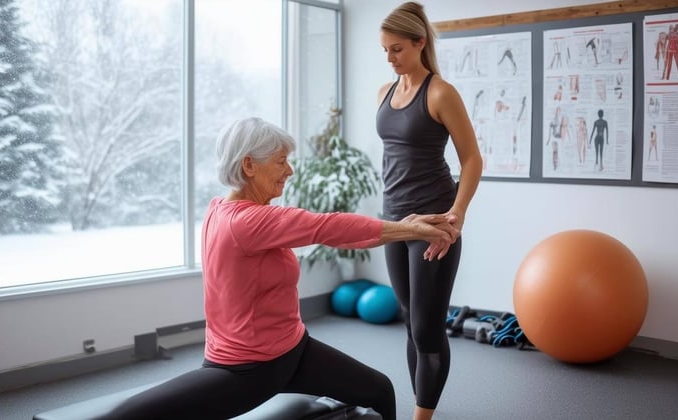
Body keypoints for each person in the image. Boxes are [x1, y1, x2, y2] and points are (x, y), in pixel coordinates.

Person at [106, 117, 459, 420]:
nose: (289, 171)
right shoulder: (246, 222)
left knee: (379, 389)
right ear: (249, 166)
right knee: (132, 414)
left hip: (294, 349)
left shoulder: (219, 209)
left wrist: (406, 224)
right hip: (249, 368)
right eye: (280, 162)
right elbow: (331, 227)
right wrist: (409, 228)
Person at [377, 3, 483, 419]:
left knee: (426, 328)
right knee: (409, 322)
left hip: (433, 223)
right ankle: (422, 407)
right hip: (394, 223)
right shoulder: (384, 93)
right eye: (385, 50)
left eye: (397, 49)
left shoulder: (440, 93)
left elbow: (472, 159)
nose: (390, 58)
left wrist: (457, 215)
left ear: (420, 43)